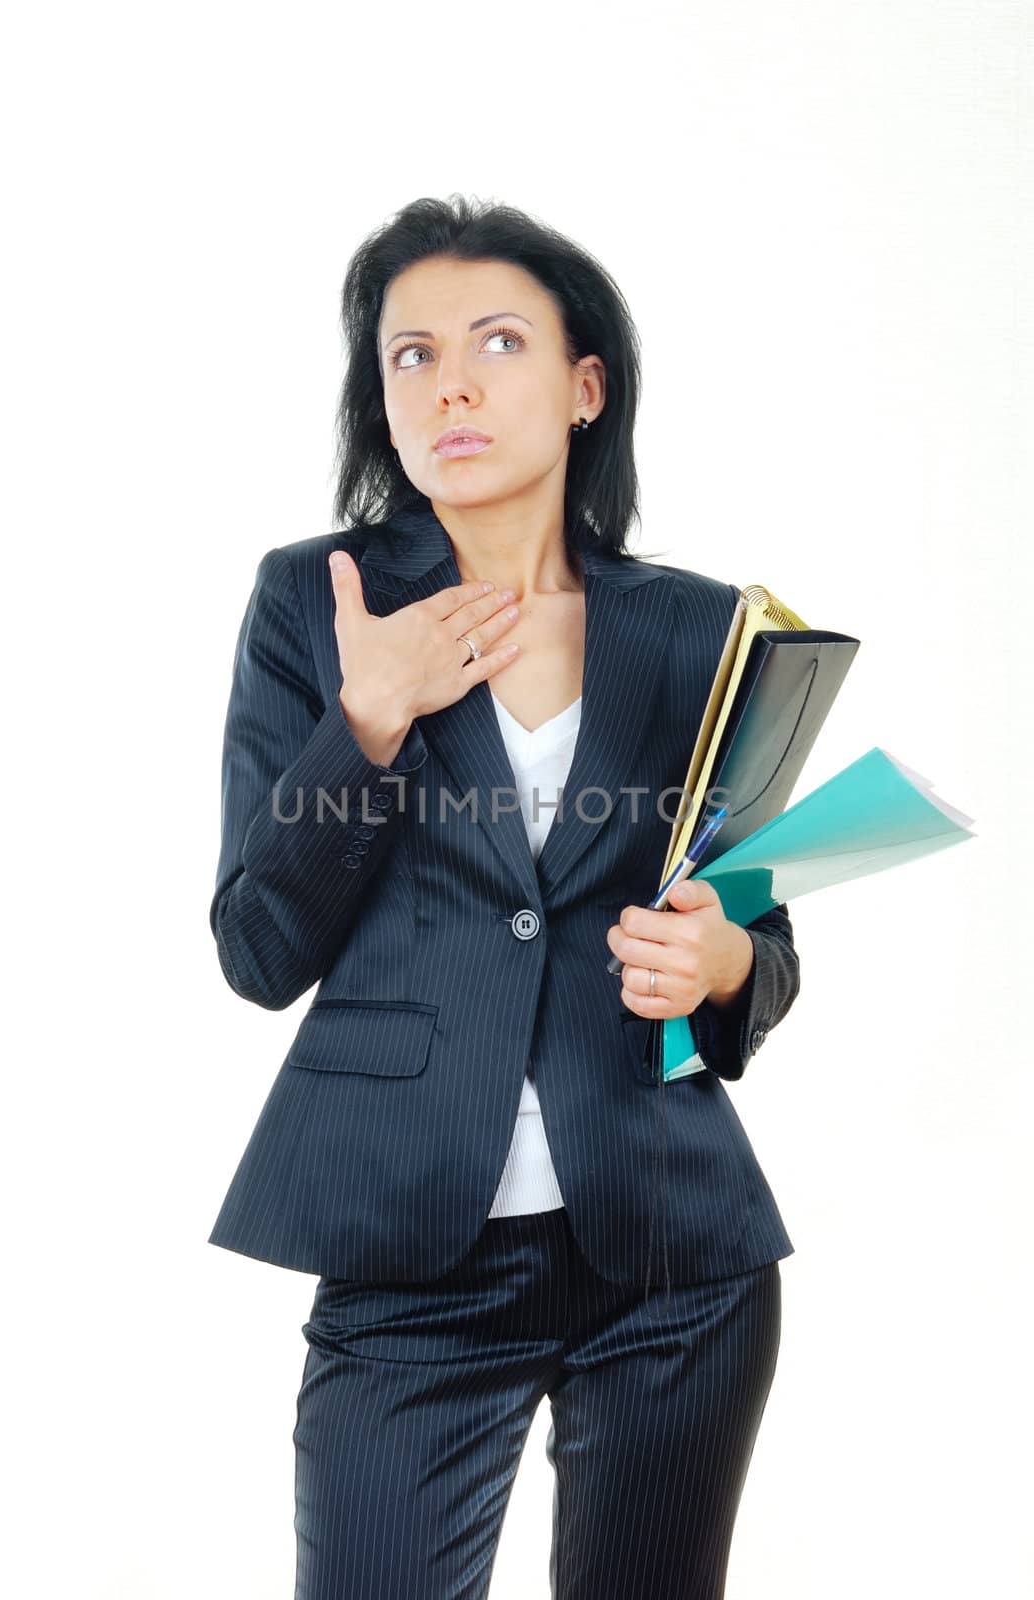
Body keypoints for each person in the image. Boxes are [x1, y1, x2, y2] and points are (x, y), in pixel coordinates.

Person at [207, 194, 801, 1600]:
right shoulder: (316, 603)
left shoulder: (701, 625)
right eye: (408, 355)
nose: (448, 382)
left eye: (494, 341)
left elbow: (761, 936)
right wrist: (366, 724)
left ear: (586, 386)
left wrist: (721, 965)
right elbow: (256, 945)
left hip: (676, 1258)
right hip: (409, 1259)